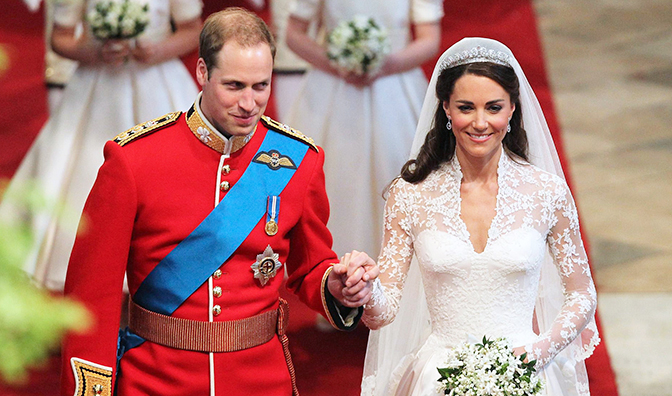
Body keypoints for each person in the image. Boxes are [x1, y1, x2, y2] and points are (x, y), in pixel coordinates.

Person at [60, 8, 377, 396]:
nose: (249, 103)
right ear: (202, 73)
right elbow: (90, 295)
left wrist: (339, 287)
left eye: (261, 86)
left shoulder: (298, 161)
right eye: (234, 85)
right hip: (156, 380)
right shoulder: (133, 160)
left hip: (261, 380)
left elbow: (312, 266)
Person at [356, 37, 601, 396]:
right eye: (466, 107)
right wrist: (363, 290)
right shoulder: (409, 194)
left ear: (513, 110)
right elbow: (384, 311)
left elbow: (582, 293)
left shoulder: (547, 192)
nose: (481, 123)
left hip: (526, 372)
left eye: (494, 107)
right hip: (437, 378)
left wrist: (539, 352)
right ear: (446, 109)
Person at [0, 0, 202, 291]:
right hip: (96, 85)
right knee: (85, 177)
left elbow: (192, 29)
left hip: (159, 81)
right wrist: (95, 52)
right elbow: (61, 37)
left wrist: (157, 50)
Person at [283, 0, 444, 259]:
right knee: (331, 172)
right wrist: (337, 63)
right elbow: (293, 34)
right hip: (332, 85)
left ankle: (399, 257)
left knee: (398, 168)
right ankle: (325, 260)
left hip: (395, 86)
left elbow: (429, 39)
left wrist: (387, 64)